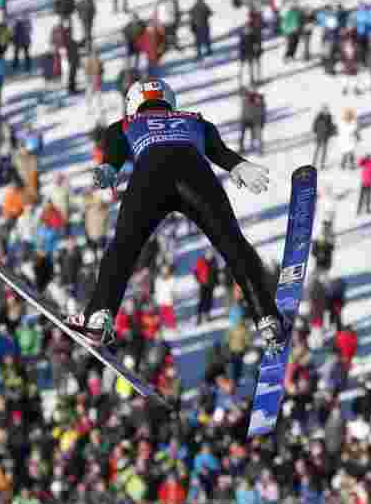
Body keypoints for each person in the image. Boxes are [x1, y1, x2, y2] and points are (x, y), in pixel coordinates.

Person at [70, 78, 283, 351]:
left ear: (133, 104)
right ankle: (266, 317)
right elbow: (218, 150)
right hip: (195, 175)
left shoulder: (125, 124)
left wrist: (109, 168)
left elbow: (115, 149)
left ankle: (99, 315)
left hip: (150, 177)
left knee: (123, 247)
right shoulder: (194, 119)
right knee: (232, 244)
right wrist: (237, 165)